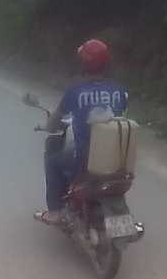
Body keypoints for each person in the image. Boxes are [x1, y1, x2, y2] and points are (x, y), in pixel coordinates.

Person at [34, 38, 129, 226]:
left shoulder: (75, 92)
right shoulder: (120, 91)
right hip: (117, 160)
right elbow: (120, 118)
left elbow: (55, 121)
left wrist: (48, 127)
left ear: (84, 64)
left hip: (85, 161)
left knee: (52, 161)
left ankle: (55, 211)